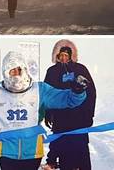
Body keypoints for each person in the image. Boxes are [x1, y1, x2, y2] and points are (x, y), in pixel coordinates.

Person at [42, 39, 96, 170]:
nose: (64, 58)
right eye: (61, 55)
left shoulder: (80, 69)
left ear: (72, 55)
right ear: (57, 56)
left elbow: (91, 92)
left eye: (67, 55)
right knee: (62, 146)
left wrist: (90, 114)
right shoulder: (52, 71)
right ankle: (57, 163)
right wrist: (47, 113)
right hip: (61, 117)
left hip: (79, 117)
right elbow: (46, 94)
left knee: (81, 149)